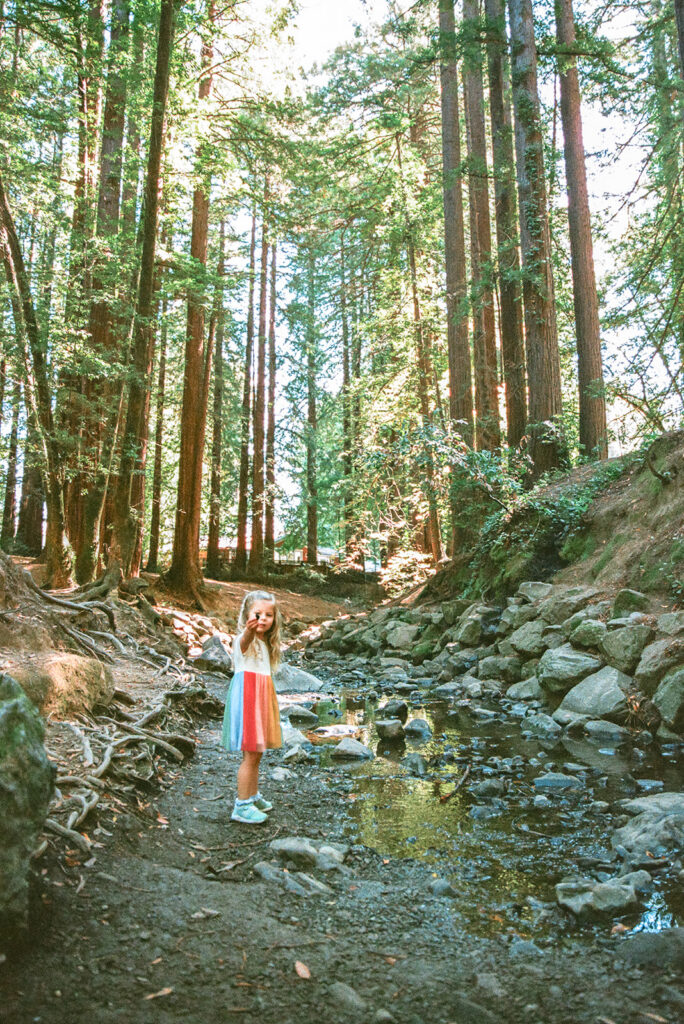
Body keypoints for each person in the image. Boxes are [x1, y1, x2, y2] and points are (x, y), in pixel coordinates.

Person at [222, 590, 283, 823]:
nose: (263, 619)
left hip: (260, 697)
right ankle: (242, 805)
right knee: (250, 754)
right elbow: (244, 641)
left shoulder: (266, 643)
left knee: (258, 753)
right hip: (248, 697)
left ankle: (253, 795)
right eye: (258, 614)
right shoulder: (242, 639)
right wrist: (248, 629)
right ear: (246, 615)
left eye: (269, 615)